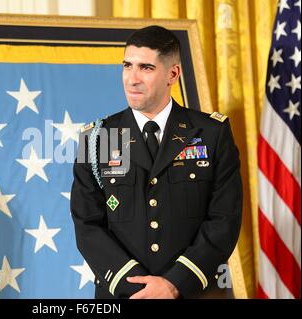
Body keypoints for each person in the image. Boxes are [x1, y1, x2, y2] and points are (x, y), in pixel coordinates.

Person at [70, 25, 242, 299]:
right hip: (123, 295)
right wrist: (137, 288)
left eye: (146, 68)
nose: (132, 79)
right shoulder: (98, 139)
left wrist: (174, 284)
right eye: (127, 65)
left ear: (172, 74)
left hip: (193, 292)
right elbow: (87, 225)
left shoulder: (211, 134)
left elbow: (224, 219)